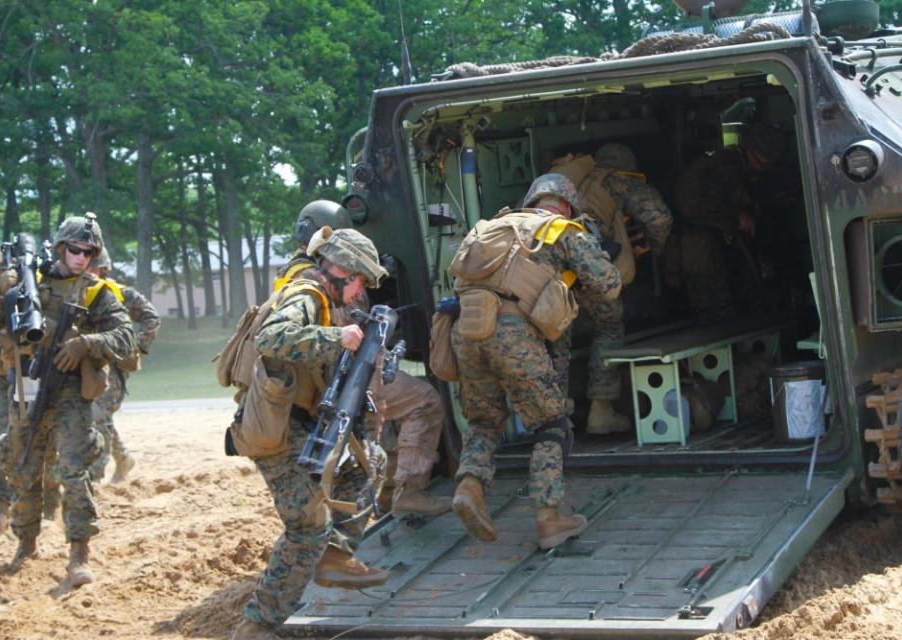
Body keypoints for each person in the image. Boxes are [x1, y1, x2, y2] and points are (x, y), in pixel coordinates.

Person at [231, 227, 390, 640]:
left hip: (296, 426)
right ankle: (256, 626)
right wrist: (335, 337)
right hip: (274, 433)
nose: (358, 292)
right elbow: (271, 338)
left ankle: (335, 554)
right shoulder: (307, 295)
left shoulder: (325, 300)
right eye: (358, 282)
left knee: (369, 463)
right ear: (340, 270)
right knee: (307, 526)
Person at [448, 173, 621, 550]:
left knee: (484, 418)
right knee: (552, 424)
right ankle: (549, 520)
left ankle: (469, 486)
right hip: (511, 333)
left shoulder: (493, 226)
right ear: (568, 205)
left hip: (467, 329)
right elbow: (609, 284)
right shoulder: (562, 229)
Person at [0, 213, 135, 588]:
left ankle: (79, 553)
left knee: (73, 471)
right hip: (27, 385)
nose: (81, 258)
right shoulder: (28, 280)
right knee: (24, 468)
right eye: (75, 250)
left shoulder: (96, 292)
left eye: (89, 252)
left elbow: (127, 336)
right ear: (61, 247)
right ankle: (26, 543)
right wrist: (2, 291)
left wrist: (88, 343)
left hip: (69, 391)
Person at [279, 201, 450, 518]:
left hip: (320, 379)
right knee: (425, 401)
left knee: (379, 426)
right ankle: (410, 492)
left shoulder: (293, 272)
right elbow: (347, 326)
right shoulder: (326, 277)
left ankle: (387, 498)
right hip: (345, 371)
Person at [574, 143, 673, 434]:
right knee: (608, 327)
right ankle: (600, 411)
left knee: (556, 334)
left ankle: (556, 417)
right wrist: (655, 249)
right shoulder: (624, 183)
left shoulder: (567, 181)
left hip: (549, 273)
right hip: (592, 266)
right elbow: (659, 219)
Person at [0, 251, 60, 527]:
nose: (8, 275)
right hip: (2, 380)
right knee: (6, 439)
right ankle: (1, 504)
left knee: (48, 440)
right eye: (3, 270)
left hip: (36, 376)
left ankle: (50, 504)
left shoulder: (39, 294)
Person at [672, 122, 787, 323]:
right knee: (715, 309)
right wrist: (735, 217)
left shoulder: (737, 167)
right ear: (751, 151)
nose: (764, 169)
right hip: (699, 245)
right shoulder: (726, 168)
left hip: (713, 243)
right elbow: (690, 203)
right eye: (762, 162)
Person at [87, 248, 161, 483]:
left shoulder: (119, 293)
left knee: (99, 415)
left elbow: (151, 317)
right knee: (96, 417)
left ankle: (96, 477)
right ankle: (124, 458)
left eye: (92, 266)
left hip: (113, 369)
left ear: (102, 269)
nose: (87, 271)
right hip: (83, 366)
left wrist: (136, 346)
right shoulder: (75, 292)